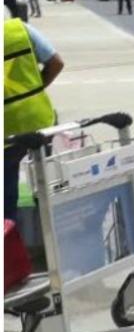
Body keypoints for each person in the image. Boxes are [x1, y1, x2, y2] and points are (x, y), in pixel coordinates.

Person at [4, 16, 64, 221]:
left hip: (6, 133)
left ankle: (10, 242)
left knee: (6, 193)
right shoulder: (19, 30)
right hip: (39, 120)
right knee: (46, 179)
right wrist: (35, 89)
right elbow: (56, 63)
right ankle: (53, 232)